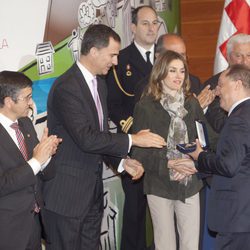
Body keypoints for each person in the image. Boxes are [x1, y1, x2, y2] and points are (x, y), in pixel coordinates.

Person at [42, 24, 166, 250]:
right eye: (113, 55)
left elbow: (100, 136)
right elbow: (86, 139)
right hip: (67, 196)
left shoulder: (100, 84)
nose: (116, 62)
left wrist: (121, 161)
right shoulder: (67, 87)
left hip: (92, 196)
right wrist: (133, 139)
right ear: (93, 51)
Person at [131, 50, 217, 250]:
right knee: (165, 244)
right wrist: (169, 163)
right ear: (160, 73)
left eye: (182, 71)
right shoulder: (145, 107)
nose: (179, 76)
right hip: (159, 184)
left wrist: (195, 161)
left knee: (190, 244)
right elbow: (138, 152)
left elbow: (207, 139)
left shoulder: (192, 103)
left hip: (189, 183)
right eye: (172, 71)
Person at [171, 64, 250, 250]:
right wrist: (199, 166)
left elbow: (228, 165)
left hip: (236, 218)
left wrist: (200, 156)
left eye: (221, 85)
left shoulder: (238, 118)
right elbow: (241, 163)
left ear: (237, 85)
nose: (217, 92)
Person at [106, 5, 159, 249]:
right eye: (145, 23)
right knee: (136, 210)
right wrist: (133, 130)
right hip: (135, 144)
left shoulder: (166, 57)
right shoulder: (120, 60)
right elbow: (114, 104)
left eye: (155, 23)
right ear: (133, 27)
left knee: (166, 208)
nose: (151, 28)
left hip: (164, 147)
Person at [0, 71, 61, 250]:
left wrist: (47, 154)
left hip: (34, 224)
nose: (31, 103)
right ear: (9, 101)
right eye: (27, 98)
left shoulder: (25, 123)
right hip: (8, 231)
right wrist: (36, 160)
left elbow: (47, 174)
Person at [134, 33, 214, 107]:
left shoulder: (194, 82)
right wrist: (195, 108)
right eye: (173, 55)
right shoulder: (145, 87)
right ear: (158, 57)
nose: (179, 60)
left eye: (182, 55)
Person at [203, 33, 250, 133]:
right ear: (228, 57)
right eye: (238, 56)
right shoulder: (214, 85)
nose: (245, 61)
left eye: (249, 55)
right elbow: (220, 124)